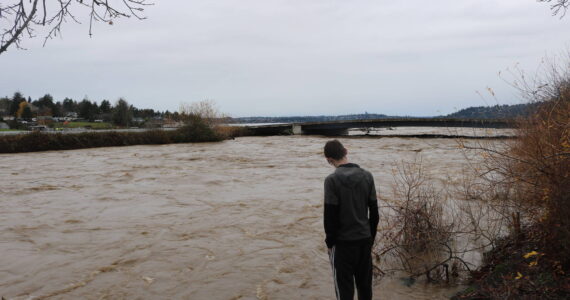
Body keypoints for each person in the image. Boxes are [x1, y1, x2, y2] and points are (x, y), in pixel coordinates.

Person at [323, 139, 379, 300]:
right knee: (365, 288)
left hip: (342, 245)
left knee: (344, 291)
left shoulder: (331, 181)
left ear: (329, 160)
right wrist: (370, 238)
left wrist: (329, 243)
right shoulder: (367, 176)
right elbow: (374, 212)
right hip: (364, 240)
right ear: (346, 151)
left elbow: (330, 216)